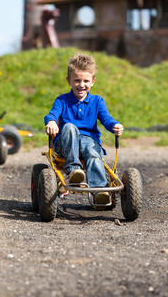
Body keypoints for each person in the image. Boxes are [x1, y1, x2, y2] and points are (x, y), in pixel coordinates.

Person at [44, 53, 124, 209]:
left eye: (86, 81)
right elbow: (52, 114)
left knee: (94, 153)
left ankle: (99, 192)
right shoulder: (62, 100)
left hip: (88, 140)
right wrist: (52, 122)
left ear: (93, 81)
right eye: (77, 80)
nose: (81, 85)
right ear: (69, 81)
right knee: (69, 127)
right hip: (65, 145)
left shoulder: (97, 101)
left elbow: (106, 119)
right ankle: (74, 171)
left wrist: (115, 125)